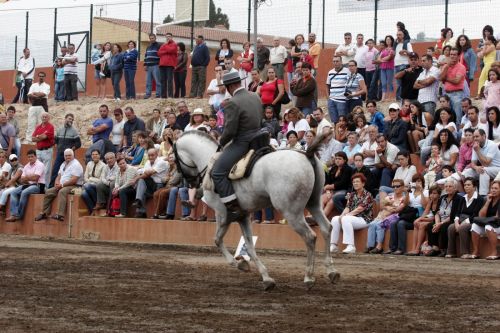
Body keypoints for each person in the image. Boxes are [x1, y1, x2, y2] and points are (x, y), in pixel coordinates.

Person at [211, 71, 262, 222]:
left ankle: (234, 209)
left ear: (230, 86)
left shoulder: (232, 102)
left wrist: (220, 142)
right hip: (260, 139)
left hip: (243, 143)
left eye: (226, 87)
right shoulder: (255, 96)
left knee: (218, 172)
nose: (226, 89)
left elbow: (230, 131)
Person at [34, 149, 83, 222]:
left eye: (69, 155)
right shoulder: (63, 164)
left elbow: (74, 180)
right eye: (66, 156)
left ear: (73, 155)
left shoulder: (76, 164)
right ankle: (44, 213)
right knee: (48, 191)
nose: (68, 157)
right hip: (62, 185)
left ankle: (60, 215)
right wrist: (57, 183)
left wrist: (62, 185)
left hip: (74, 186)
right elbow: (59, 176)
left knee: (62, 191)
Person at [330, 173, 374, 254]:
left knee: (346, 219)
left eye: (357, 182)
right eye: (354, 182)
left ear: (363, 183)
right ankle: (333, 245)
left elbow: (359, 209)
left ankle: (351, 246)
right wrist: (342, 215)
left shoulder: (368, 195)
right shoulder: (352, 195)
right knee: (335, 219)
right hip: (353, 218)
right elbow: (347, 207)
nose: (355, 184)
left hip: (364, 219)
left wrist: (345, 216)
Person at [366, 178, 408, 254]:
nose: (395, 188)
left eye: (397, 186)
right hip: (382, 216)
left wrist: (388, 207)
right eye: (394, 186)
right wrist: (388, 207)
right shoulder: (391, 195)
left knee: (380, 225)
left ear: (402, 187)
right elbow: (381, 206)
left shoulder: (404, 198)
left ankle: (379, 246)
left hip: (392, 218)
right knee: (372, 224)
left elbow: (398, 209)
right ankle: (370, 246)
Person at [388, 174, 427, 255]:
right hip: (408, 214)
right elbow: (406, 203)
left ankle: (401, 249)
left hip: (418, 216)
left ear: (422, 182)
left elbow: (424, 205)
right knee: (393, 223)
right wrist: (408, 192)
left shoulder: (426, 191)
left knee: (401, 224)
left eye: (419, 181)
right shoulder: (411, 192)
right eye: (415, 181)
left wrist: (421, 191)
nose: (417, 183)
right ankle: (392, 248)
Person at [445, 177, 483, 258]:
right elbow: (458, 212)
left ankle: (465, 252)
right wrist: (456, 222)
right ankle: (451, 252)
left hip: (473, 220)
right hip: (461, 219)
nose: (466, 187)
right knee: (450, 227)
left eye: (469, 185)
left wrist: (464, 222)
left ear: (474, 187)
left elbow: (476, 215)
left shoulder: (479, 199)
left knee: (462, 228)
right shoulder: (463, 198)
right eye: (465, 185)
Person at [5, 150, 45, 222]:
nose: (30, 158)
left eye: (32, 156)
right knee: (13, 192)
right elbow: (22, 180)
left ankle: (19, 215)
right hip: (28, 185)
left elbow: (36, 178)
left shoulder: (40, 164)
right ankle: (14, 214)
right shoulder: (26, 166)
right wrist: (29, 177)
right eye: (29, 157)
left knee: (24, 192)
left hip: (38, 186)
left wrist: (27, 177)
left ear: (35, 156)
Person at [425, 179, 461, 257]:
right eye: (446, 186)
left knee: (444, 227)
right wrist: (437, 222)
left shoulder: (459, 199)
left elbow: (453, 215)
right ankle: (435, 248)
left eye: (450, 186)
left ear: (455, 188)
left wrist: (440, 223)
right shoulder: (442, 198)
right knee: (430, 225)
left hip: (451, 220)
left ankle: (444, 249)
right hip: (440, 219)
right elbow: (437, 212)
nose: (448, 188)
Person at [462, 129, 500, 196]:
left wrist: (477, 151)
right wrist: (476, 167)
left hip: (497, 169)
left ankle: (483, 195)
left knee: (483, 170)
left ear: (484, 136)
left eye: (477, 136)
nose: (475, 139)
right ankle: (473, 194)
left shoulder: (492, 145)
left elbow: (486, 163)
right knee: (467, 172)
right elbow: (472, 163)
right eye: (474, 137)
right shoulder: (475, 145)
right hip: (486, 168)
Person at [132, 148, 168, 218]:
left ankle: (139, 206)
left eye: (152, 155)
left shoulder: (161, 162)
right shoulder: (148, 162)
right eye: (149, 155)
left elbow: (148, 173)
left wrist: (136, 178)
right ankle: (140, 210)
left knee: (141, 180)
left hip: (159, 185)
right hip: (150, 185)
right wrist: (143, 174)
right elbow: (145, 173)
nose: (150, 157)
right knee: (141, 183)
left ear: (157, 155)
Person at [406, 185, 442, 255]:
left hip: (438, 221)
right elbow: (425, 212)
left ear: (439, 194)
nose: (432, 195)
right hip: (431, 219)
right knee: (416, 223)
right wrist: (419, 219)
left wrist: (421, 219)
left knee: (422, 225)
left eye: (434, 193)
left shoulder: (440, 202)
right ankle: (413, 248)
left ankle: (417, 249)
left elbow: (436, 217)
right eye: (431, 193)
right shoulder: (431, 202)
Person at [469, 181, 500, 260]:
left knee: (488, 226)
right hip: (490, 223)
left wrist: (488, 220)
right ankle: (476, 251)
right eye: (492, 188)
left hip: (498, 224)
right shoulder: (488, 199)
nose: (493, 190)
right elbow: (481, 215)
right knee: (474, 226)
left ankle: (494, 252)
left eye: (496, 188)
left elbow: (497, 217)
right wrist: (488, 202)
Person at [49, 113, 81, 188]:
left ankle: (66, 187)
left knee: (69, 172)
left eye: (72, 120)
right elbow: (55, 140)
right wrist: (57, 146)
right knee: (55, 171)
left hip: (69, 155)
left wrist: (71, 149)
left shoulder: (74, 131)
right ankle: (51, 188)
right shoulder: (59, 129)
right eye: (69, 119)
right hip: (60, 154)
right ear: (65, 118)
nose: (71, 121)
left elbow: (78, 143)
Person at [440, 48, 466, 122]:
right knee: (446, 117)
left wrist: (446, 78)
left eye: (454, 55)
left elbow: (456, 81)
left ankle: (457, 132)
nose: (452, 56)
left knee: (457, 116)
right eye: (451, 54)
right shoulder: (446, 66)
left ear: (458, 56)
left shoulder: (461, 67)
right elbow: (441, 78)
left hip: (457, 94)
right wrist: (447, 66)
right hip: (446, 94)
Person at [322, 151, 352, 217]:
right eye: (336, 159)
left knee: (331, 201)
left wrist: (329, 187)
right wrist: (328, 191)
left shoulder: (348, 169)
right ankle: (313, 217)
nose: (337, 160)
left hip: (344, 190)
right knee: (322, 198)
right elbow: (327, 181)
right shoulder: (333, 168)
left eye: (339, 159)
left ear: (345, 160)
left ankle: (321, 218)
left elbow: (342, 183)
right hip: (333, 190)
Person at [32, 112, 54, 187]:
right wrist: (40, 137)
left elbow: (44, 137)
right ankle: (38, 186)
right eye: (43, 117)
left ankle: (46, 187)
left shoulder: (50, 126)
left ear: (48, 118)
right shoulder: (38, 127)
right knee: (38, 169)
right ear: (41, 118)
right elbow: (32, 139)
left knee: (46, 170)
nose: (44, 118)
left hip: (47, 151)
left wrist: (38, 137)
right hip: (38, 151)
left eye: (46, 117)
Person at [81, 150, 106, 214]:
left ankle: (99, 202)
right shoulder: (89, 163)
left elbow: (101, 180)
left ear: (100, 155)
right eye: (93, 154)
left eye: (96, 154)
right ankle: (92, 210)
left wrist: (90, 179)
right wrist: (89, 180)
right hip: (89, 184)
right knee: (83, 193)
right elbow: (85, 177)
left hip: (98, 185)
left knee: (87, 186)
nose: (94, 156)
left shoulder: (103, 166)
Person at [326, 55, 350, 123]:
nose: (335, 63)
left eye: (337, 61)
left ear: (341, 62)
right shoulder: (330, 72)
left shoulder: (347, 71)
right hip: (332, 100)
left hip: (342, 101)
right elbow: (327, 85)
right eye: (334, 61)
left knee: (343, 121)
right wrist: (328, 98)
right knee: (334, 121)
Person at [394, 30, 413, 101]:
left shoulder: (407, 44)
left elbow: (411, 54)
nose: (398, 36)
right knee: (399, 83)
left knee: (403, 82)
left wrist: (405, 51)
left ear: (403, 36)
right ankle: (400, 97)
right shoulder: (396, 44)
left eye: (400, 35)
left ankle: (401, 98)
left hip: (404, 64)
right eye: (397, 35)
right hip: (396, 65)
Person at [157, 32, 177, 99]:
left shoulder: (174, 44)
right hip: (162, 64)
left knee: (169, 80)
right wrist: (166, 51)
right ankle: (163, 96)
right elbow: (159, 53)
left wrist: (165, 48)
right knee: (163, 80)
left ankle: (170, 95)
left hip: (170, 64)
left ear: (171, 37)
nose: (168, 37)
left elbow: (171, 50)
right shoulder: (163, 45)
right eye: (167, 36)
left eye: (169, 36)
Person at [376, 36, 395, 101]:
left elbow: (389, 57)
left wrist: (381, 59)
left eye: (389, 39)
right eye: (387, 39)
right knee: (383, 83)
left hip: (390, 67)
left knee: (389, 82)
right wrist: (382, 59)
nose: (388, 41)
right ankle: (383, 98)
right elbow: (378, 59)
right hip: (383, 67)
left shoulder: (393, 49)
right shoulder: (384, 49)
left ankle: (390, 97)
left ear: (392, 41)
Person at [144, 34, 162, 99]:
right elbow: (146, 56)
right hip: (148, 66)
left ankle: (158, 94)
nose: (151, 39)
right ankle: (148, 94)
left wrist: (159, 64)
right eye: (150, 38)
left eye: (152, 38)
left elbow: (161, 55)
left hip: (156, 65)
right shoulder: (148, 46)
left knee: (158, 81)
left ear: (155, 38)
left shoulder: (159, 45)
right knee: (148, 81)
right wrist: (145, 64)